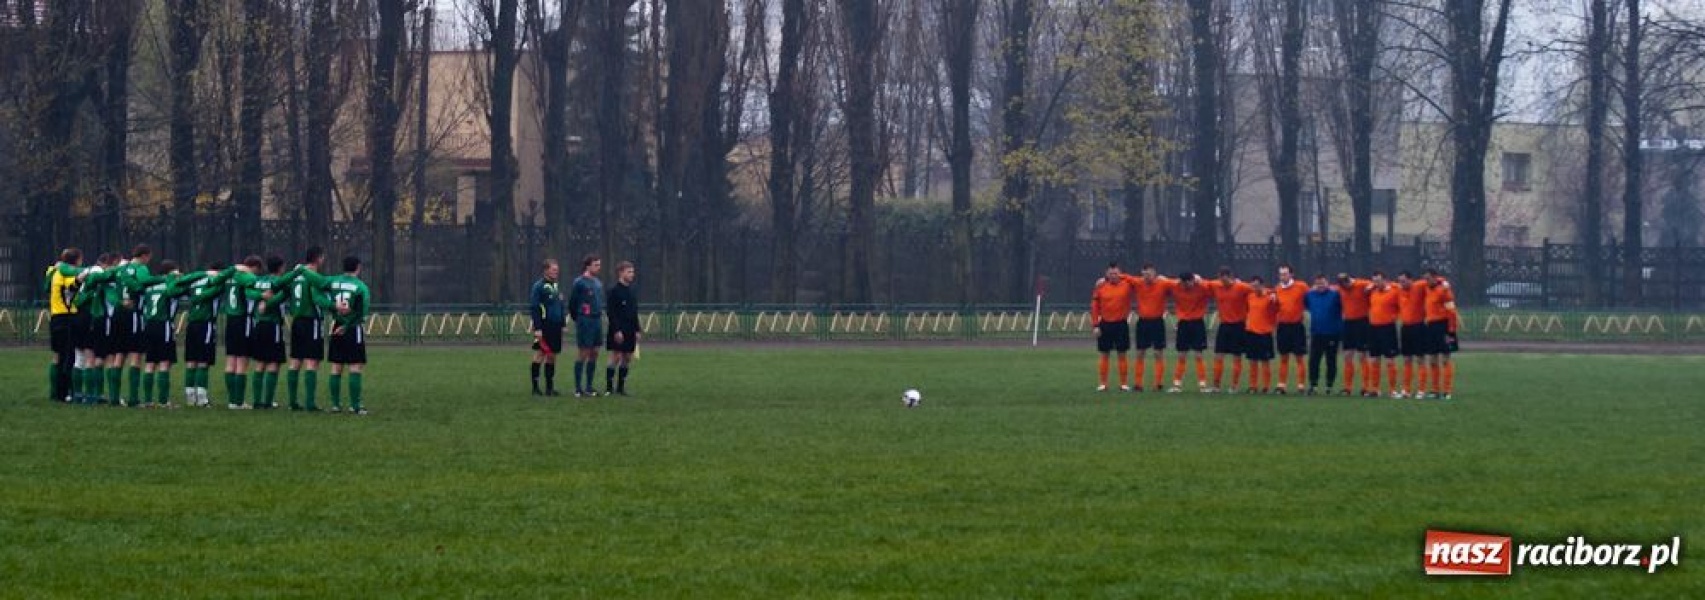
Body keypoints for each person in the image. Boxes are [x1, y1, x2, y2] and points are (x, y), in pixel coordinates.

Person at [138, 261, 206, 408]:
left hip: (149, 325)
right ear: (172, 272)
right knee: (164, 362)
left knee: (150, 364)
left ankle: (148, 400)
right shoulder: (172, 285)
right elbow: (184, 290)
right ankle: (163, 401)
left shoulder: (150, 286)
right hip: (164, 325)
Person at [277, 248, 330, 411]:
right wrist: (333, 306)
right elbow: (317, 298)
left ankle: (292, 402)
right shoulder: (313, 278)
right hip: (311, 320)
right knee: (312, 362)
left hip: (296, 321)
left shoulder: (295, 276)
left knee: (295, 361)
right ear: (319, 259)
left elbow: (283, 292)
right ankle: (310, 403)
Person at [1112, 264, 1177, 392]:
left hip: (1157, 322)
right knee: (1140, 353)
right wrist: (1108, 278)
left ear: (1154, 273)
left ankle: (1158, 383)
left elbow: (1178, 283)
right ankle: (1138, 384)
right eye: (1144, 274)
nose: (1147, 277)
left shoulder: (1163, 283)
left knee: (1158, 353)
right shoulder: (1138, 282)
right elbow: (1124, 277)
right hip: (1143, 322)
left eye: (1149, 274)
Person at [325, 256, 372, 414]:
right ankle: (355, 405)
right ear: (358, 267)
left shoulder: (333, 282)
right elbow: (362, 313)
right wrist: (348, 325)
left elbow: (320, 292)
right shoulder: (361, 287)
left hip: (336, 325)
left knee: (336, 367)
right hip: (352, 327)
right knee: (355, 366)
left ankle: (335, 405)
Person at [181, 261, 228, 407]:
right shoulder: (216, 283)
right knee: (203, 361)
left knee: (191, 361)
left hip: (192, 324)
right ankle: (202, 398)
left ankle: (190, 396)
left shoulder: (194, 281)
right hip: (206, 323)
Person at [218, 256, 263, 409]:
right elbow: (252, 287)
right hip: (243, 321)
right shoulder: (245, 277)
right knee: (242, 362)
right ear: (254, 267)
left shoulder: (230, 276)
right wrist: (262, 295)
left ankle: (232, 401)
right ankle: (239, 401)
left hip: (230, 320)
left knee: (231, 361)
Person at [114, 245, 156, 406]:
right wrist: (162, 279)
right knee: (136, 354)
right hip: (133, 314)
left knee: (119, 354)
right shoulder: (141, 268)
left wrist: (119, 301)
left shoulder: (121, 269)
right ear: (145, 256)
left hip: (119, 314)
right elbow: (144, 283)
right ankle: (133, 398)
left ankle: (114, 398)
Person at [249, 255, 290, 409]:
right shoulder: (278, 282)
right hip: (273, 325)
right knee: (273, 362)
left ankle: (257, 401)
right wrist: (268, 304)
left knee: (260, 363)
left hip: (258, 324)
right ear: (280, 268)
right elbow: (283, 296)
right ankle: (267, 401)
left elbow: (250, 293)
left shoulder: (259, 281)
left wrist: (261, 302)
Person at [1205, 268, 1252, 393]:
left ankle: (1234, 386)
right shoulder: (1216, 285)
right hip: (1224, 325)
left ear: (1230, 277)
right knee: (1218, 355)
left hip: (1238, 326)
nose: (1223, 282)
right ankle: (1216, 386)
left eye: (1225, 279)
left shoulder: (1242, 287)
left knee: (1237, 356)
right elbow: (1203, 283)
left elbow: (1258, 290)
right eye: (1221, 279)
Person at [46, 249, 84, 402]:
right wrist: (82, 277)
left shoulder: (53, 272)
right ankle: (65, 393)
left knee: (57, 356)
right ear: (76, 261)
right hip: (65, 317)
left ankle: (55, 393)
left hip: (55, 316)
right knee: (68, 356)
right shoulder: (64, 274)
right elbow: (71, 288)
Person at [529, 259, 566, 396]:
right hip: (544, 326)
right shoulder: (538, 286)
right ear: (546, 270)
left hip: (556, 326)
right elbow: (535, 307)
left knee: (552, 355)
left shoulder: (556, 286)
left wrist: (563, 324)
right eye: (553, 269)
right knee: (540, 354)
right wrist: (538, 328)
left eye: (557, 269)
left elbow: (560, 306)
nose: (556, 272)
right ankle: (535, 386)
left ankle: (550, 387)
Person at [1169, 273, 1211, 393]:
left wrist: (1201, 279)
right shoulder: (1176, 286)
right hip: (1183, 324)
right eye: (1184, 282)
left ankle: (1202, 385)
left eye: (1189, 282)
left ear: (1193, 280)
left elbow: (1213, 285)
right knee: (1182, 355)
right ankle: (1177, 384)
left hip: (1197, 324)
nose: (1186, 285)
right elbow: (1164, 280)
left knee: (1198, 355)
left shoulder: (1202, 287)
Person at [569, 255, 605, 397]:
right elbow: (573, 303)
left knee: (595, 352)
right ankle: (578, 388)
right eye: (596, 265)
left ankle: (589, 386)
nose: (598, 267)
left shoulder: (597, 282)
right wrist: (578, 318)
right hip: (585, 320)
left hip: (596, 320)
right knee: (583, 352)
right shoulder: (579, 282)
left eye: (599, 265)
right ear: (588, 266)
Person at [605, 261, 642, 396]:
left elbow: (634, 311)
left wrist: (637, 329)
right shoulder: (613, 291)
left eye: (632, 272)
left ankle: (621, 387)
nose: (632, 274)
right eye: (629, 272)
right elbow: (611, 312)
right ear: (621, 273)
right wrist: (616, 330)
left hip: (630, 329)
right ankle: (609, 388)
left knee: (627, 357)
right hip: (618, 329)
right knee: (615, 356)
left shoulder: (632, 291)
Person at [1304, 274, 1344, 395]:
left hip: (1332, 333)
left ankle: (1329, 385)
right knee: (1314, 360)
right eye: (1318, 283)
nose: (1320, 285)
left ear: (1327, 283)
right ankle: (1313, 385)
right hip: (1316, 333)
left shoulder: (1335, 295)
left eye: (1322, 283)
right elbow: (1306, 306)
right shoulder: (1309, 295)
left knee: (1331, 360)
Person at [1272, 264, 1309, 394]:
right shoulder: (1277, 289)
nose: (1283, 276)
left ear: (1291, 274)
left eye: (1285, 274)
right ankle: (1281, 385)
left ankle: (1301, 385)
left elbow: (1310, 298)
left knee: (1299, 357)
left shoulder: (1301, 286)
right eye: (1281, 274)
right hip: (1283, 326)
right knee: (1283, 357)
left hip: (1297, 326)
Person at [1335, 273, 1374, 396]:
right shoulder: (1340, 288)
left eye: (1345, 284)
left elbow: (1377, 284)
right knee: (1347, 355)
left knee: (1362, 355)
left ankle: (1365, 387)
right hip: (1348, 322)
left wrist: (1370, 288)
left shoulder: (1362, 284)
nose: (1344, 287)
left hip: (1362, 322)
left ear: (1349, 281)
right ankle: (1347, 387)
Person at [1366, 272, 1403, 398]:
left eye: (1379, 281)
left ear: (1385, 280)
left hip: (1388, 328)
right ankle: (1375, 389)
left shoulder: (1394, 290)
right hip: (1373, 328)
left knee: (1389, 360)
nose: (1376, 283)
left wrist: (1395, 317)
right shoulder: (1372, 291)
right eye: (1374, 281)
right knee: (1374, 359)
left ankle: (1392, 390)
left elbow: (1402, 305)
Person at [1423, 269, 1457, 400]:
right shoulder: (1427, 288)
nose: (1426, 281)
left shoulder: (1444, 291)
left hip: (1443, 326)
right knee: (1432, 359)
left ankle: (1447, 390)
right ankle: (1435, 390)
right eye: (1425, 279)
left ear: (1434, 278)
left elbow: (1452, 310)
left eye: (1428, 279)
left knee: (1445, 358)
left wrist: (1451, 329)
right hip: (1431, 326)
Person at [1243, 276, 1280, 394]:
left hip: (1265, 333)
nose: (1255, 288)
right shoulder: (1250, 296)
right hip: (1251, 332)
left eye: (1257, 285)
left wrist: (1272, 295)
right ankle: (1253, 386)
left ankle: (1266, 386)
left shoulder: (1270, 297)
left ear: (1262, 285)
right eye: (1253, 285)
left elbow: (1276, 308)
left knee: (1265, 361)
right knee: (1252, 361)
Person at [1396, 271, 1429, 399]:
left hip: (1419, 327)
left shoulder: (1419, 286)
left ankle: (1421, 390)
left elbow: (1434, 279)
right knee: (1406, 359)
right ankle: (1406, 390)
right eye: (1400, 281)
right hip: (1405, 328)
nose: (1401, 283)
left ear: (1411, 280)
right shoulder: (1398, 289)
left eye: (1404, 281)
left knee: (1420, 359)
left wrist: (1443, 281)